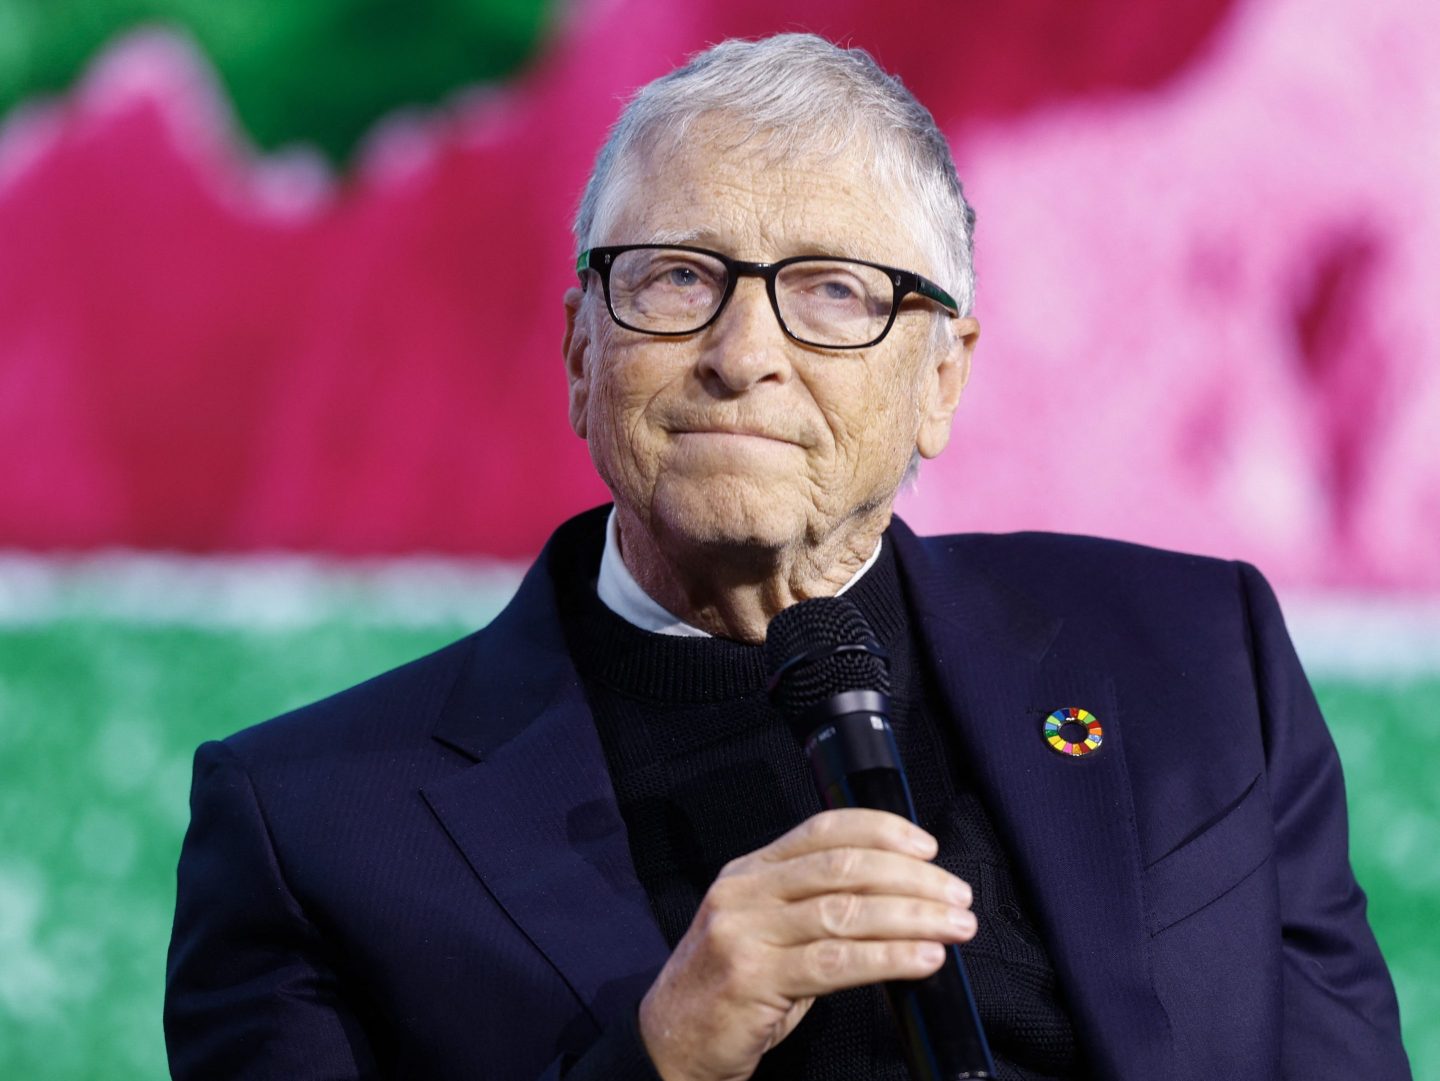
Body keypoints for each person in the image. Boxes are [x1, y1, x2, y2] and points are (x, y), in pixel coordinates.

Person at [164, 33, 1411, 1081]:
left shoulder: (1195, 659)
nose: (743, 353)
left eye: (832, 292)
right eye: (677, 278)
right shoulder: (311, 828)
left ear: (942, 378)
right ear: (583, 352)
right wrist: (661, 1053)